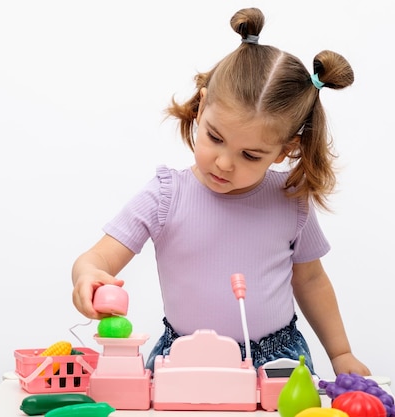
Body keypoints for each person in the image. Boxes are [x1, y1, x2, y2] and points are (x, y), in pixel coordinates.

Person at [72, 7, 370, 377]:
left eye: (250, 154)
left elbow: (310, 280)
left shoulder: (289, 200)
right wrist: (87, 275)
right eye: (215, 137)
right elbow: (96, 259)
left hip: (277, 362)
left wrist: (340, 354)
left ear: (284, 150)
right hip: (183, 359)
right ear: (201, 108)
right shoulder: (166, 195)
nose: (225, 163)